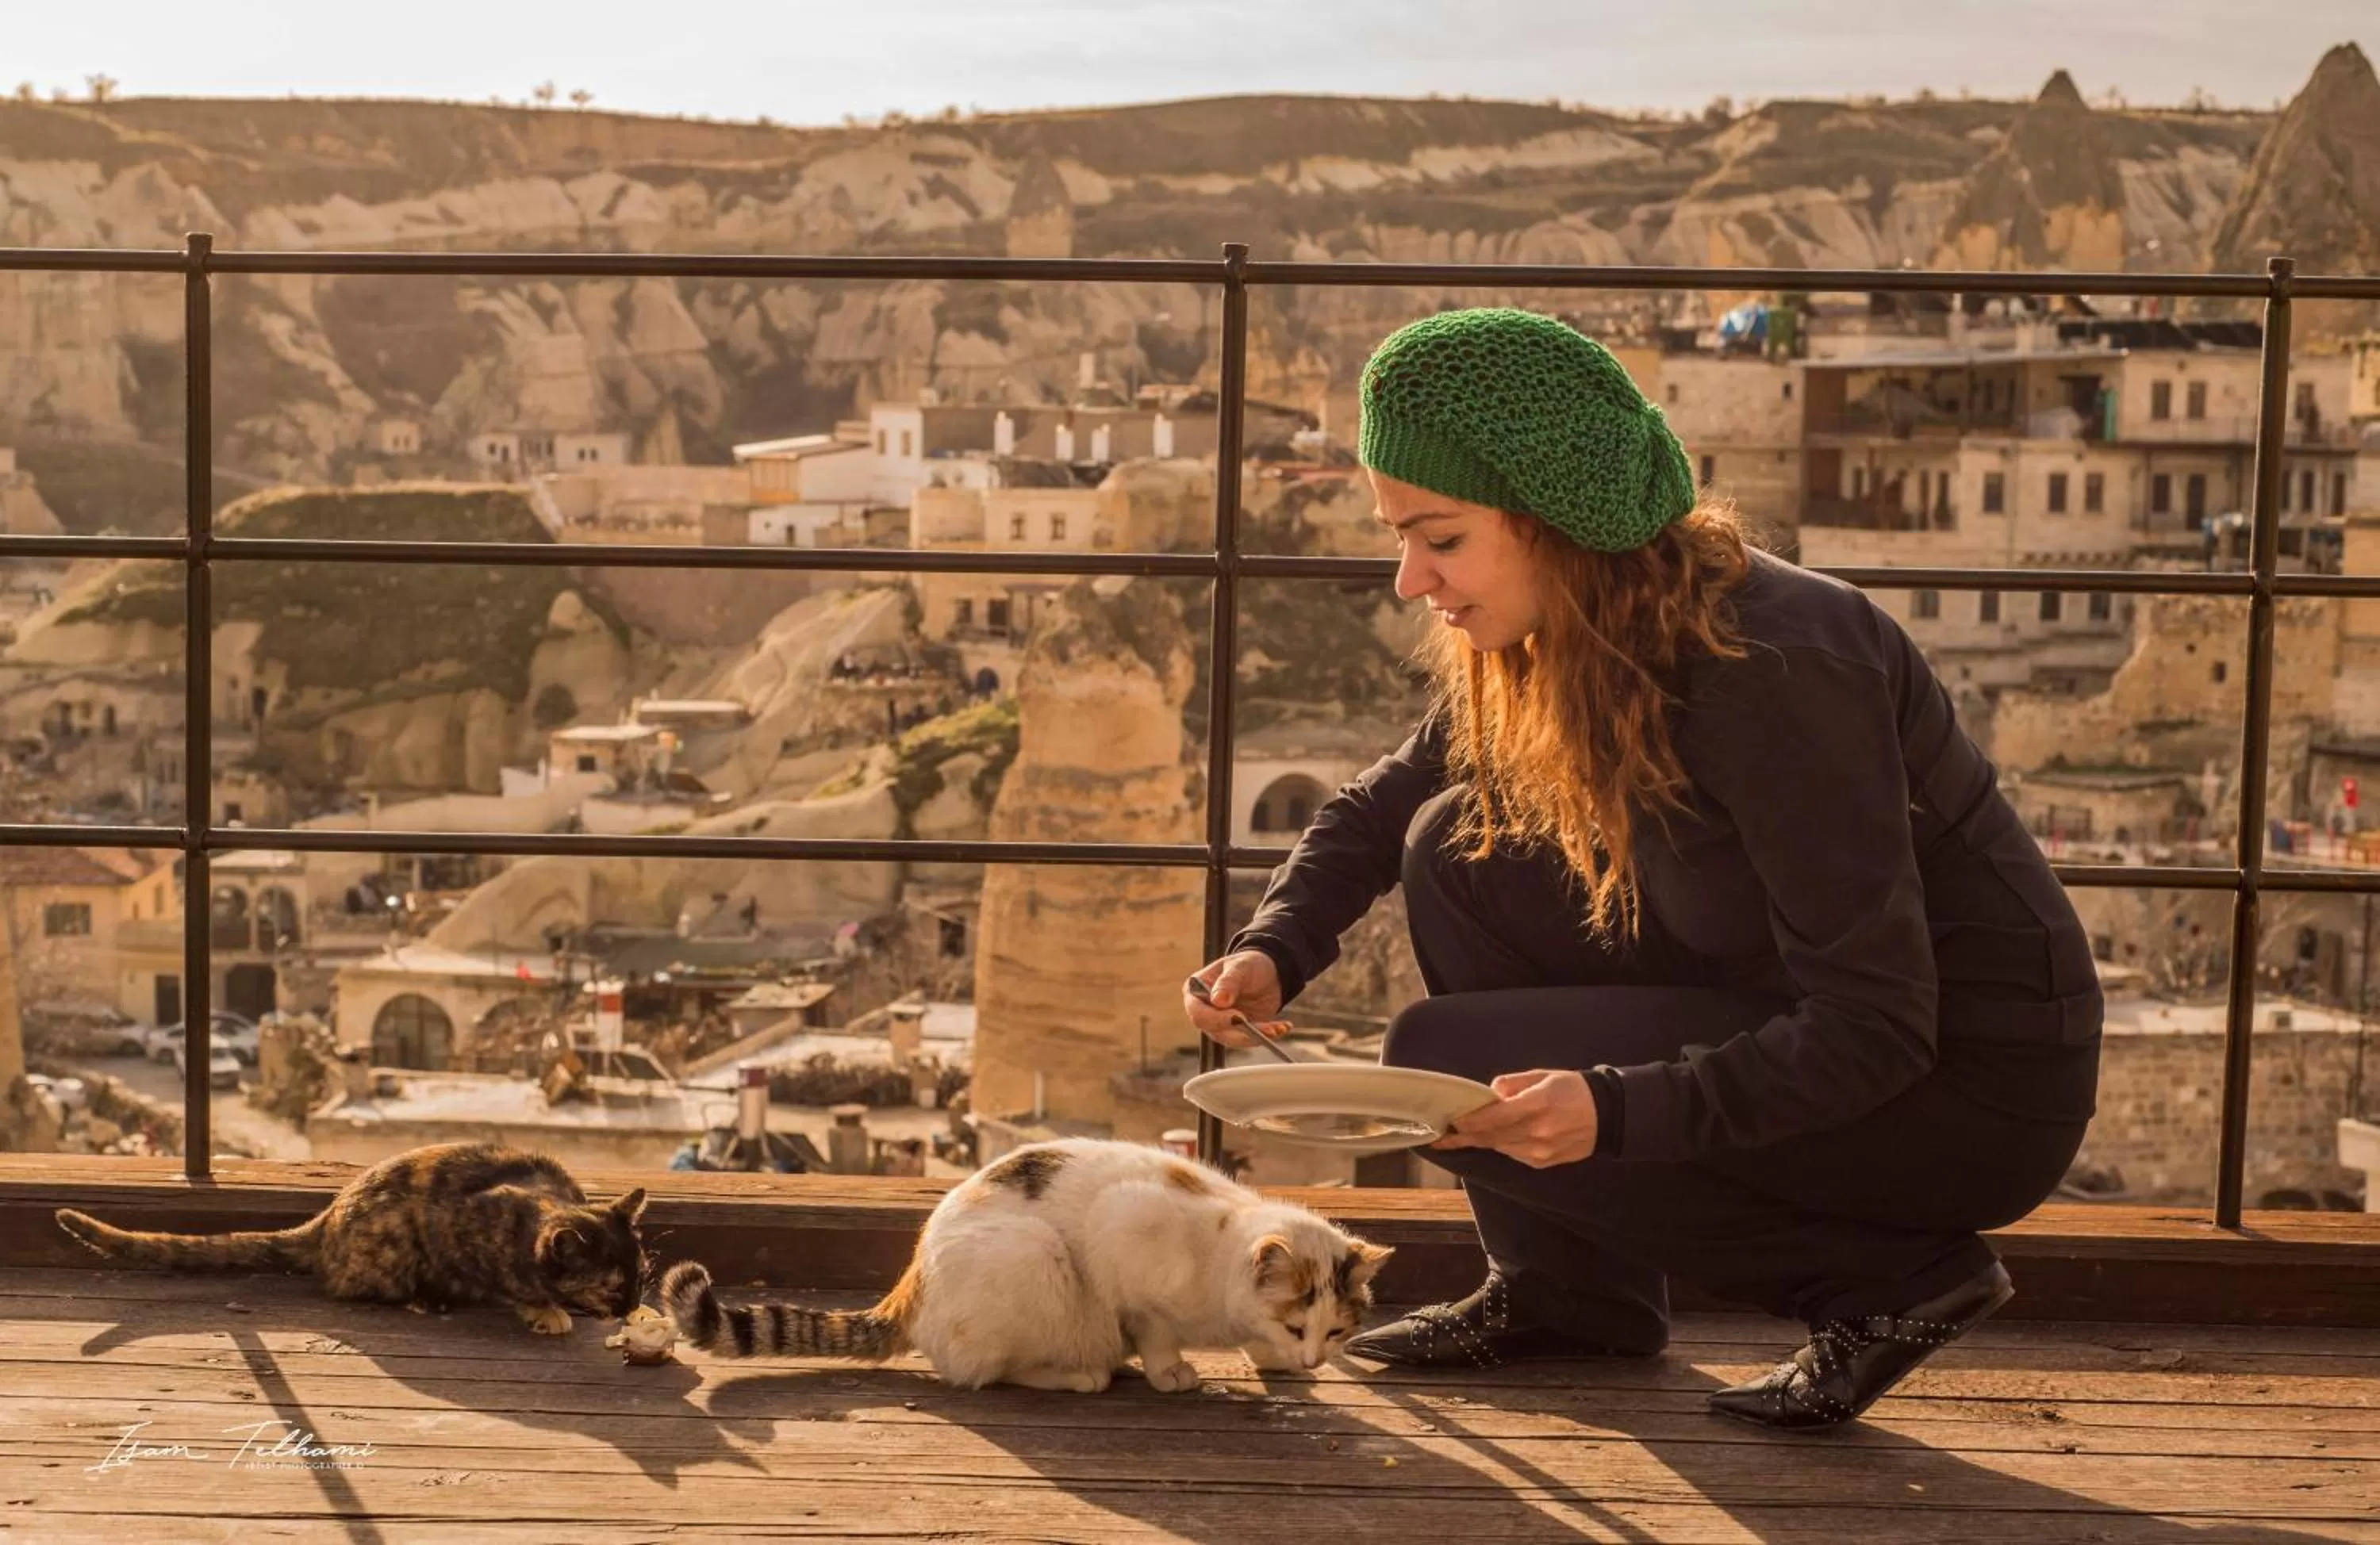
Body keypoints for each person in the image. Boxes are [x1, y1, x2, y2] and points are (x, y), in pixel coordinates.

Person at [1183, 308, 2101, 1432]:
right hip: (1798, 1004)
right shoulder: (1576, 627)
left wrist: (1615, 1115)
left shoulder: (1772, 666)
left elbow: (1879, 1025)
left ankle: (1885, 1286)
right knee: (1453, 845)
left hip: (1968, 1084)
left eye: (1442, 537)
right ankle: (1571, 1295)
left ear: (1555, 522)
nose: (1408, 580)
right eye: (1400, 536)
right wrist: (1274, 946)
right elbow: (1382, 810)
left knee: (1437, 1063)